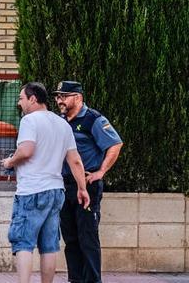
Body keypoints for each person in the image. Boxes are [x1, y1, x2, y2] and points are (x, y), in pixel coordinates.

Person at [1, 82, 90, 283]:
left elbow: (26, 151)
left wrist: (10, 161)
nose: (19, 103)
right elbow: (75, 160)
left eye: (21, 98)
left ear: (33, 99)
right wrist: (82, 189)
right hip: (55, 191)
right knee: (49, 245)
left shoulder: (29, 121)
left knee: (23, 242)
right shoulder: (62, 124)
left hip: (31, 190)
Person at [53, 81, 124, 283]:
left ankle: (92, 280)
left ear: (78, 97)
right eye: (58, 97)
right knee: (71, 238)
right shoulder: (61, 121)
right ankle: (75, 280)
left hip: (86, 184)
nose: (60, 100)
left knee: (88, 237)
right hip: (64, 184)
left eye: (64, 96)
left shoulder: (93, 119)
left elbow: (115, 144)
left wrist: (101, 171)